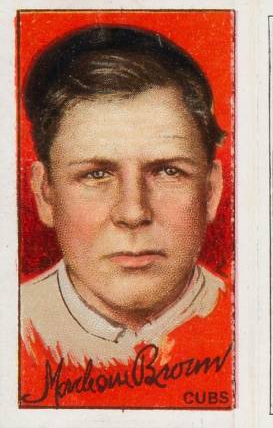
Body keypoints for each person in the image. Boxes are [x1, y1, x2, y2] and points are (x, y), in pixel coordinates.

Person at [18, 25, 232, 407]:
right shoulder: (15, 326)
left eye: (168, 171)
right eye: (96, 174)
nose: (133, 212)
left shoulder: (248, 321)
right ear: (45, 194)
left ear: (211, 190)